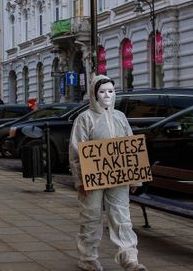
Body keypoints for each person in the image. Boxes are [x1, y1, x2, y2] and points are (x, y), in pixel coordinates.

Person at [69, 75, 148, 271]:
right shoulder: (84, 119)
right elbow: (76, 151)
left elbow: (130, 147)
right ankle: (88, 258)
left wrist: (135, 178)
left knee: (122, 216)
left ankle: (129, 258)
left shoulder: (120, 117)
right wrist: (80, 181)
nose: (107, 95)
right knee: (91, 217)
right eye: (102, 91)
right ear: (94, 94)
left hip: (118, 178)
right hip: (92, 179)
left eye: (111, 91)